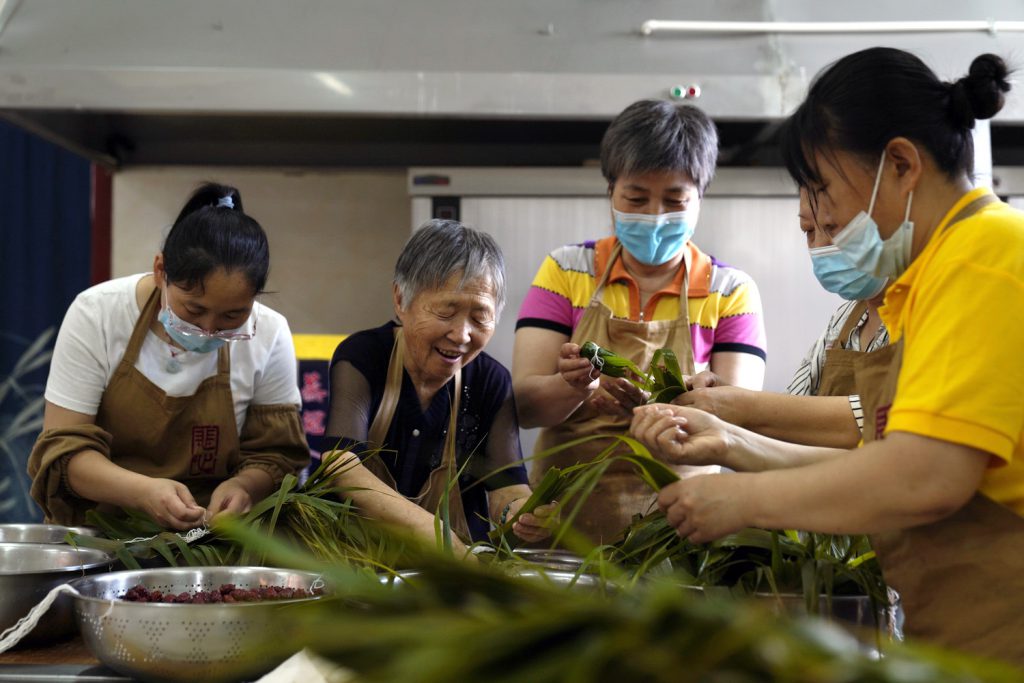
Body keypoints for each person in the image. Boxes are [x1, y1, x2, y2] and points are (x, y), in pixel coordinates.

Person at [630, 49, 1024, 663]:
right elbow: (881, 459)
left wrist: (738, 499)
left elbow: (926, 477)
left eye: (823, 190)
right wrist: (731, 445)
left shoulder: (982, 257)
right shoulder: (926, 280)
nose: (822, 218)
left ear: (900, 164)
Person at [512, 99, 767, 543]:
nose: (654, 215)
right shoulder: (566, 270)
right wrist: (574, 386)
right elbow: (525, 406)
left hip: (677, 533)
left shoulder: (730, 291)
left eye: (674, 200)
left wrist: (663, 401)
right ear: (611, 190)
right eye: (636, 197)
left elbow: (741, 421)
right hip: (562, 525)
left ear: (700, 198)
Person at [28, 183, 309, 530]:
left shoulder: (269, 331)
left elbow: (277, 455)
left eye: (232, 317)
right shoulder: (97, 313)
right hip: (102, 536)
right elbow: (62, 453)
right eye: (194, 309)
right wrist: (142, 492)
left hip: (210, 543)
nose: (209, 330)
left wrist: (243, 486)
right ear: (161, 271)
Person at [321, 220, 553, 549]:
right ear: (401, 300)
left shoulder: (492, 382)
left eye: (479, 316)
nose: (461, 335)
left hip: (452, 578)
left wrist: (524, 515)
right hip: (356, 568)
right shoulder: (364, 356)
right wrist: (436, 536)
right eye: (446, 311)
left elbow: (507, 488)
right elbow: (341, 464)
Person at [676, 188, 889, 449]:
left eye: (834, 228)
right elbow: (793, 408)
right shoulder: (845, 320)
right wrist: (725, 399)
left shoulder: (927, 315)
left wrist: (740, 408)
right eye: (809, 231)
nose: (821, 246)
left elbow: (876, 417)